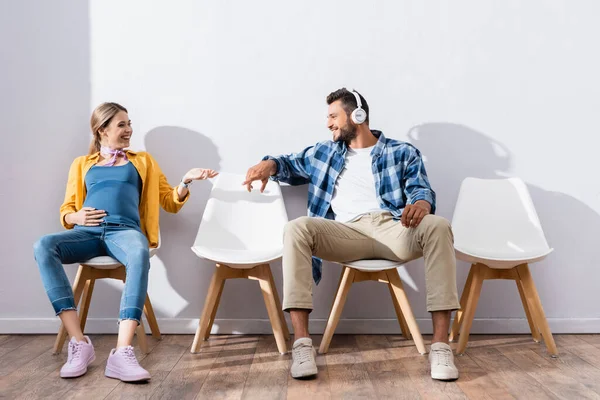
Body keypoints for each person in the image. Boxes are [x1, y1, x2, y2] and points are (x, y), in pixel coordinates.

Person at [244, 88, 460, 381]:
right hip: (345, 232)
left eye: (333, 116)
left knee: (438, 225)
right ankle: (303, 345)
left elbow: (421, 188)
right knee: (296, 228)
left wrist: (422, 203)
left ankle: (440, 347)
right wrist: (269, 164)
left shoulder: (402, 152)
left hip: (394, 229)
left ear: (357, 115)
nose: (328, 123)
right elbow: (288, 164)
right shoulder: (324, 152)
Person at [33, 102, 218, 382]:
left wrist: (186, 181)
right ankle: (79, 343)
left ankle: (122, 352)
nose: (129, 129)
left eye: (129, 123)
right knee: (44, 245)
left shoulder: (142, 161)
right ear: (102, 130)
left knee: (139, 250)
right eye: (122, 125)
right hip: (88, 234)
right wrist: (76, 216)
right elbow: (66, 210)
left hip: (125, 232)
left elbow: (169, 201)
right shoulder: (82, 164)